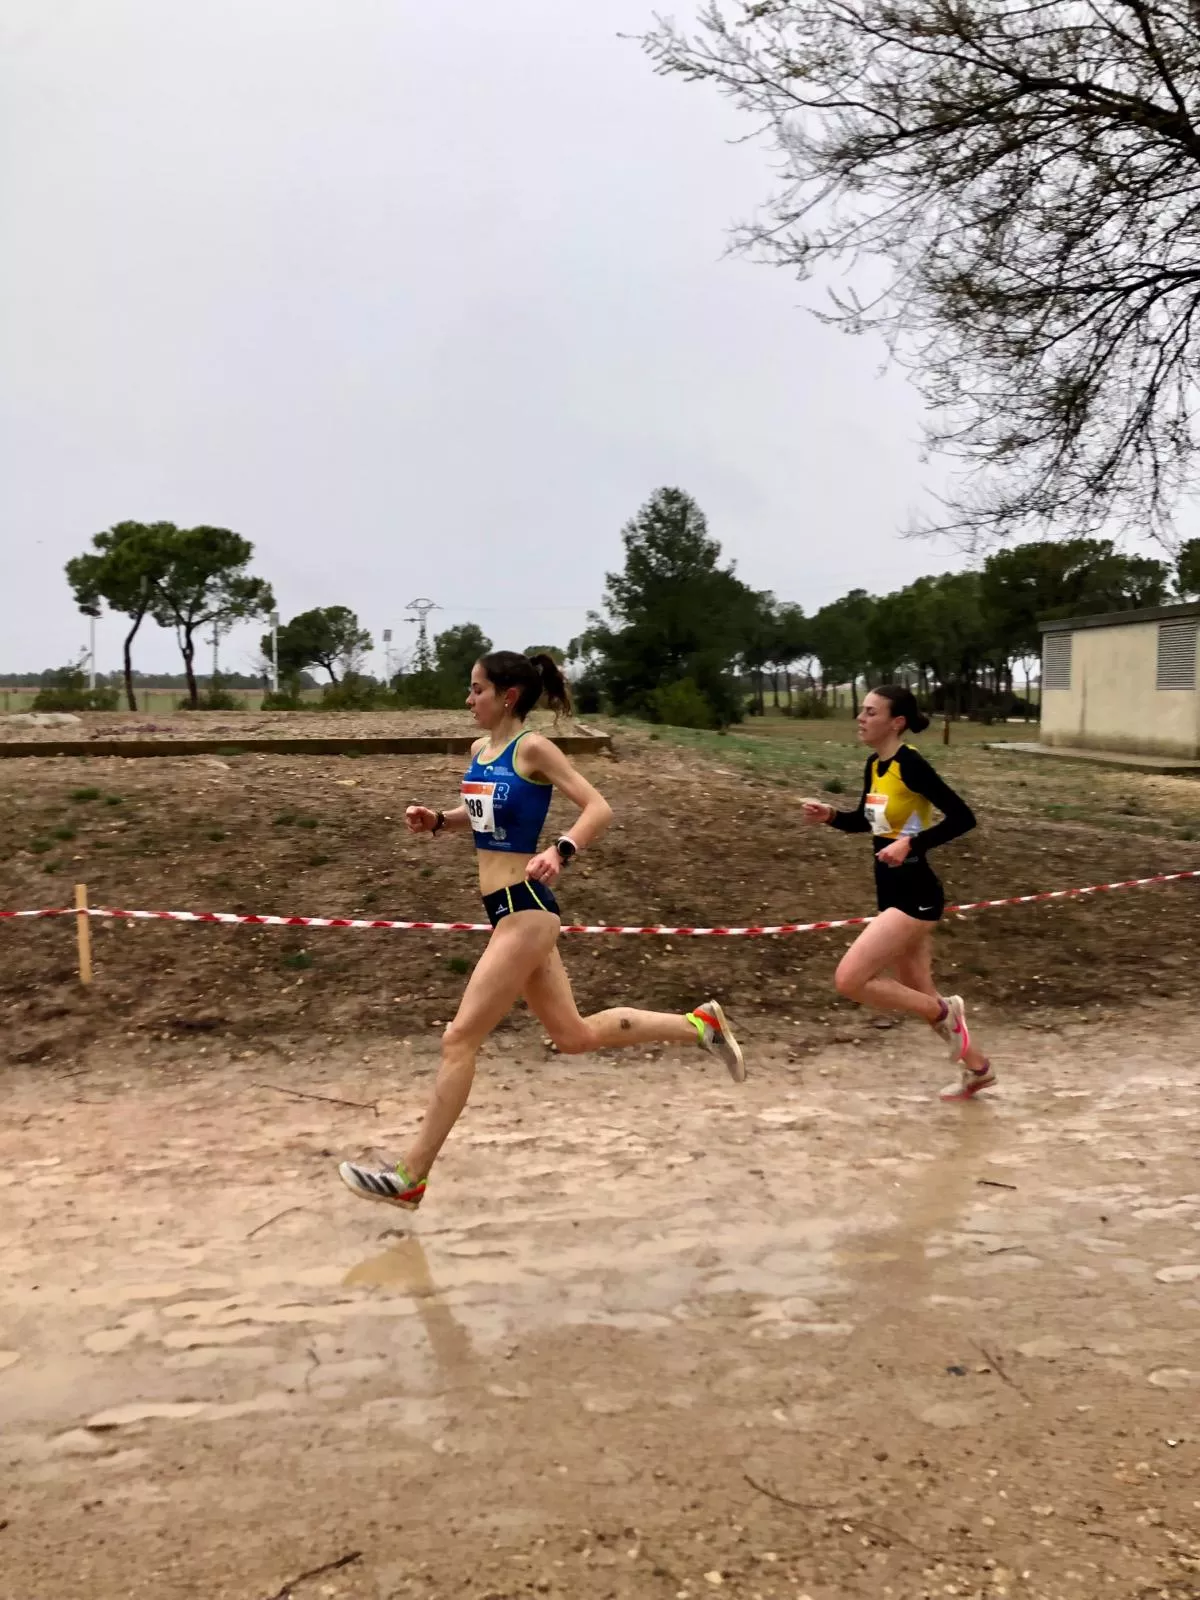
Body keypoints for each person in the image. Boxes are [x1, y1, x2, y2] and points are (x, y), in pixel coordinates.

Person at [338, 650, 745, 1210]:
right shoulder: (480, 751)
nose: (468, 698)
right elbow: (481, 815)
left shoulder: (533, 747)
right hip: (505, 909)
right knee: (574, 1037)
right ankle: (698, 1025)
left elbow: (598, 806)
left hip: (526, 907)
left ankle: (412, 1175)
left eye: (477, 689)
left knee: (459, 1038)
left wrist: (562, 848)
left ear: (508, 696)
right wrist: (439, 821)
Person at [801, 685, 995, 1101]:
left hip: (916, 892)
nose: (861, 718)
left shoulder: (911, 765)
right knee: (917, 988)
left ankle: (946, 1011)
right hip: (889, 891)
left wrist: (913, 843)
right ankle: (978, 1069)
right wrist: (832, 816)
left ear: (896, 722)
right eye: (862, 711)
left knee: (850, 980)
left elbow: (963, 817)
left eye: (871, 712)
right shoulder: (875, 765)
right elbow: (867, 823)